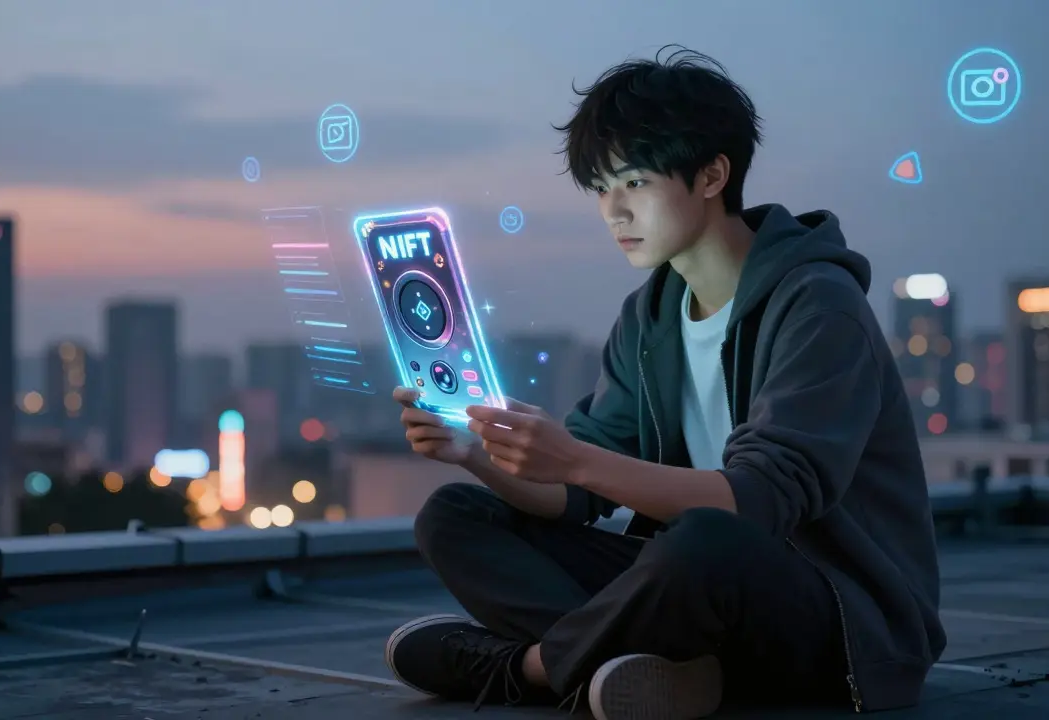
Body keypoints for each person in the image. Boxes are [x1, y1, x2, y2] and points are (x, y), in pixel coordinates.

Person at [383, 46, 946, 719]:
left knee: (704, 540)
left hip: (839, 619)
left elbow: (759, 502)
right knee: (455, 514)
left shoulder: (818, 304)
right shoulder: (650, 316)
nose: (613, 212)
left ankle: (526, 669)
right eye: (601, 189)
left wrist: (576, 459)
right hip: (698, 587)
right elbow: (577, 494)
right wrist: (476, 454)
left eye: (635, 182)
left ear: (712, 175)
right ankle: (650, 670)